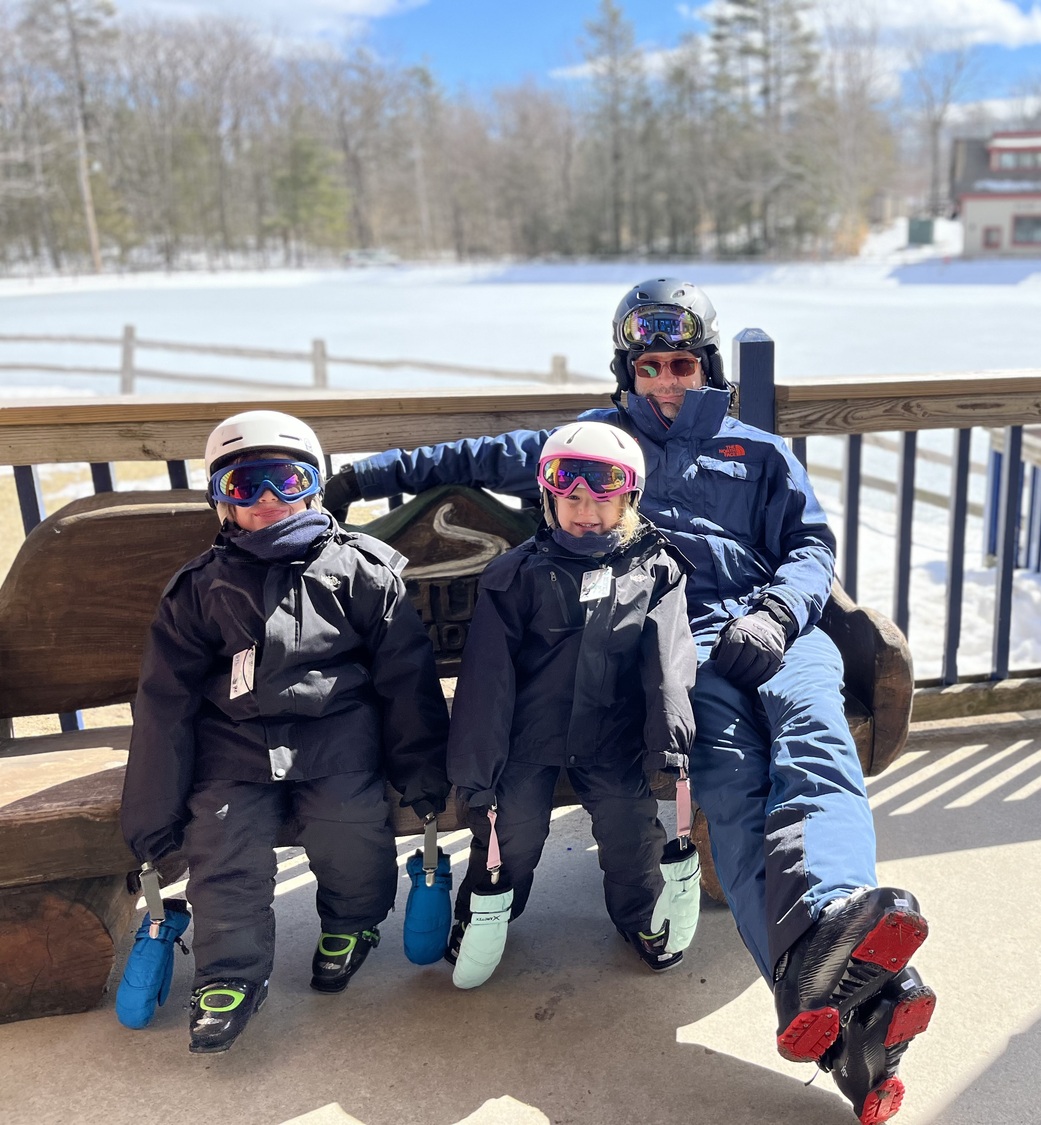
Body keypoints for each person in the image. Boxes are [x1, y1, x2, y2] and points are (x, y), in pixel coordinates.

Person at [324, 279, 936, 1123]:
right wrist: (365, 475)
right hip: (685, 643)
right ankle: (849, 1024)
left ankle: (830, 915)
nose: (666, 383)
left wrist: (777, 612)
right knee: (736, 795)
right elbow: (473, 456)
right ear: (628, 370)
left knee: (814, 746)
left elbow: (810, 545)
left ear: (707, 364)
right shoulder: (595, 445)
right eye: (648, 367)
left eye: (682, 364)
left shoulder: (756, 450)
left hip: (773, 632)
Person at [120, 410, 450, 1054]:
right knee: (222, 843)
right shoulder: (199, 589)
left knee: (350, 827)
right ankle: (228, 975)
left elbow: (404, 678)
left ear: (315, 486)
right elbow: (165, 702)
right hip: (233, 750)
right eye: (246, 487)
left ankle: (352, 925)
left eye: (288, 480)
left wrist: (422, 773)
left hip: (338, 739)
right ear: (221, 500)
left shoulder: (360, 570)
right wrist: (150, 819)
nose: (269, 501)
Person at [444, 420, 698, 985]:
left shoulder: (655, 571)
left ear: (629, 500)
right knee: (512, 830)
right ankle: (487, 909)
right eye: (571, 497)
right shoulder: (517, 576)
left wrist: (670, 745)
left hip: (612, 735)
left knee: (631, 826)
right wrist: (477, 774)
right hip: (528, 739)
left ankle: (639, 914)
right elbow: (487, 681)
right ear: (548, 499)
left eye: (602, 500)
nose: (586, 511)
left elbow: (668, 661)